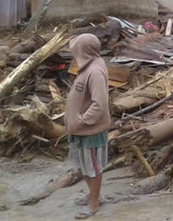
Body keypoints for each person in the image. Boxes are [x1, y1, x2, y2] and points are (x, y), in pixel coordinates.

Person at [66, 34, 110, 219]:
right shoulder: (88, 67)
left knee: (93, 168)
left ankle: (94, 204)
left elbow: (99, 104)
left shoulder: (95, 72)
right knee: (83, 166)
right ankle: (94, 194)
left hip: (90, 130)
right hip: (79, 129)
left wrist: (82, 120)